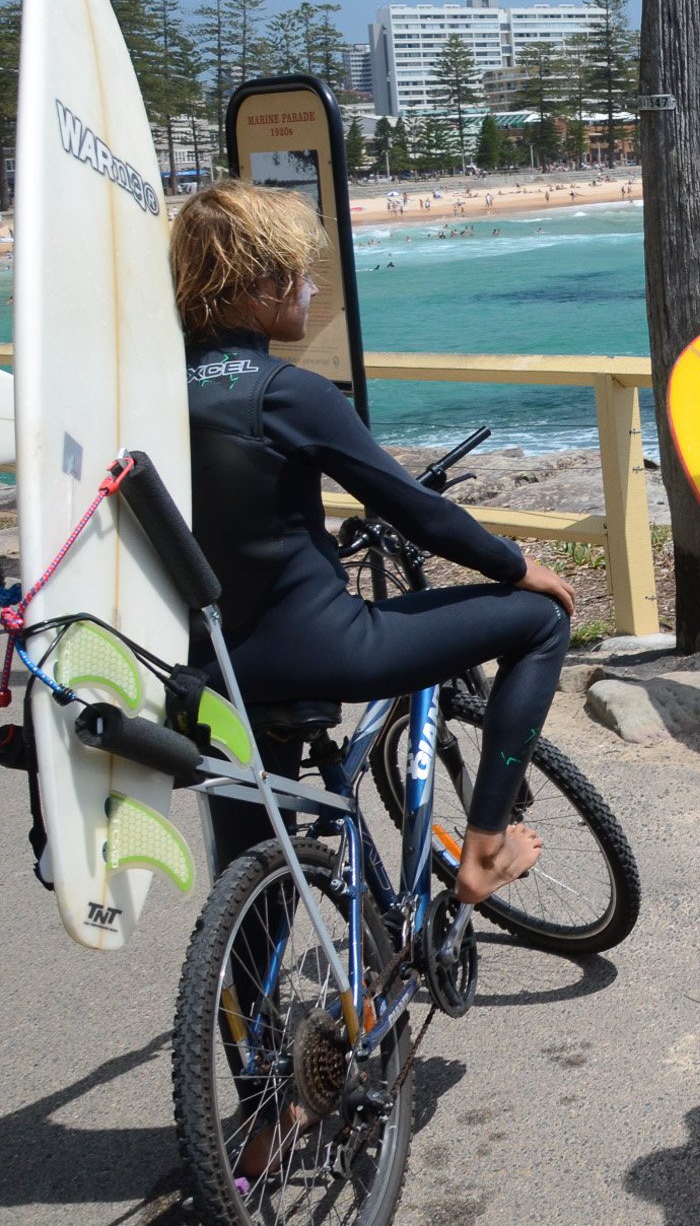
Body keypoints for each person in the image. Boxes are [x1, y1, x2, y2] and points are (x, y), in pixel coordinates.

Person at [171, 181, 575, 904]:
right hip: (324, 649)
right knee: (542, 621)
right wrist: (517, 565)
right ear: (261, 285)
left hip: (211, 670)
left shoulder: (151, 390)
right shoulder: (287, 392)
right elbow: (415, 511)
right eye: (301, 274)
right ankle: (485, 849)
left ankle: (245, 978)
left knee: (257, 885)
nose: (311, 288)